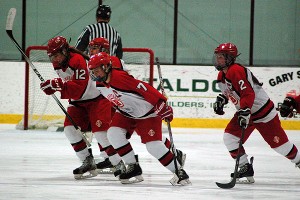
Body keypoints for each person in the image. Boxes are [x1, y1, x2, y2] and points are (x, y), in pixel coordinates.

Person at [87, 52, 191, 185]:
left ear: (106, 67)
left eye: (97, 70)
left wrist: (160, 103)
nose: (95, 74)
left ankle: (179, 172)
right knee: (113, 133)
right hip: (127, 113)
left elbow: (144, 88)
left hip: (147, 113)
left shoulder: (118, 78)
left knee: (153, 146)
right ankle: (133, 167)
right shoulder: (100, 84)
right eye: (93, 71)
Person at [212, 42, 300, 183]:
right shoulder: (221, 76)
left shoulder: (236, 70)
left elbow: (248, 93)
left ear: (230, 58)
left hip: (262, 113)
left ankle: (299, 160)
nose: (218, 59)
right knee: (230, 137)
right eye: (218, 56)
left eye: (222, 56)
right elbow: (231, 92)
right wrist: (222, 99)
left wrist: (245, 110)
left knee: (280, 146)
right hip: (245, 112)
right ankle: (244, 166)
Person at [40, 36, 125, 180]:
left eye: (57, 55)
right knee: (69, 130)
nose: (55, 59)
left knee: (101, 134)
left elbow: (79, 88)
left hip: (96, 99)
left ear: (65, 51)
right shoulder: (58, 63)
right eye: (52, 56)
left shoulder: (77, 60)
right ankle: (87, 161)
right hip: (78, 102)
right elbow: (69, 85)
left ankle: (119, 163)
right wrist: (52, 87)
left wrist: (59, 86)